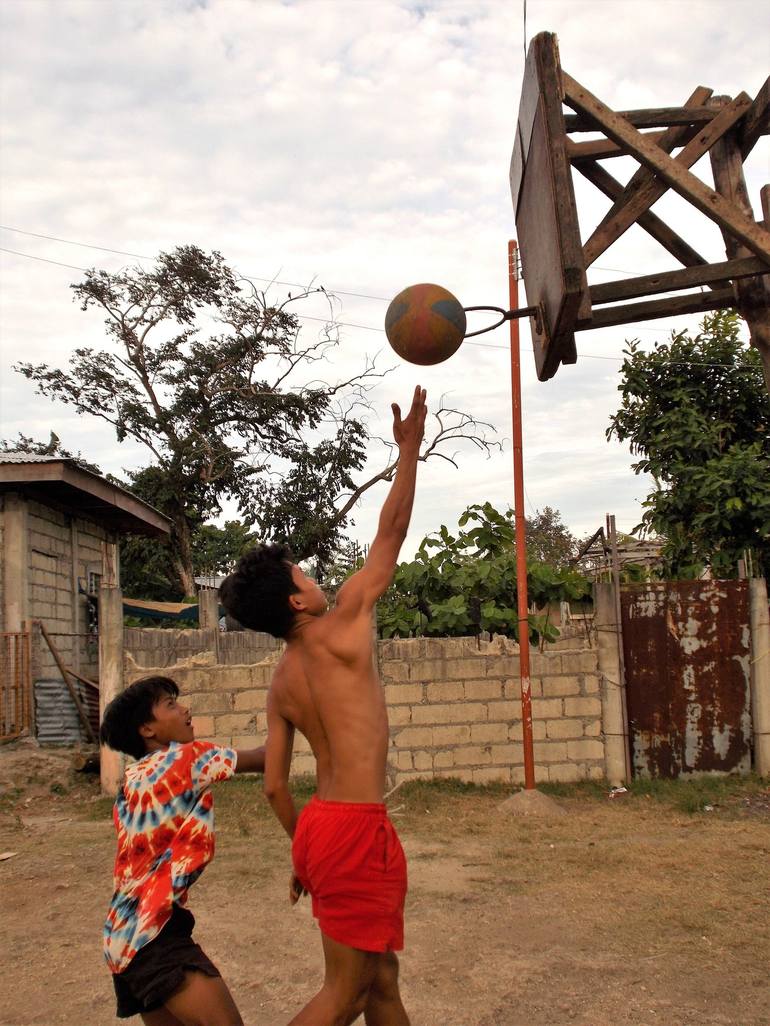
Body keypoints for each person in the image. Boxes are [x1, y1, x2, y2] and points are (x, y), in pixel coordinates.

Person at [219, 385, 427, 1026]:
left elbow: (275, 788)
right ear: (297, 603)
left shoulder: (281, 682)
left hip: (318, 828)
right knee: (344, 993)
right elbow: (391, 532)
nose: (315, 578)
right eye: (306, 575)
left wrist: (305, 854)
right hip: (355, 829)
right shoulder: (344, 624)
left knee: (382, 980)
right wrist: (409, 451)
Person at [100, 674, 266, 1026]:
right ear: (147, 728)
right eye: (171, 705)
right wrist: (293, 710)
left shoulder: (129, 782)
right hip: (154, 934)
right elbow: (267, 757)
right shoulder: (190, 758)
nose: (185, 709)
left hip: (121, 939)